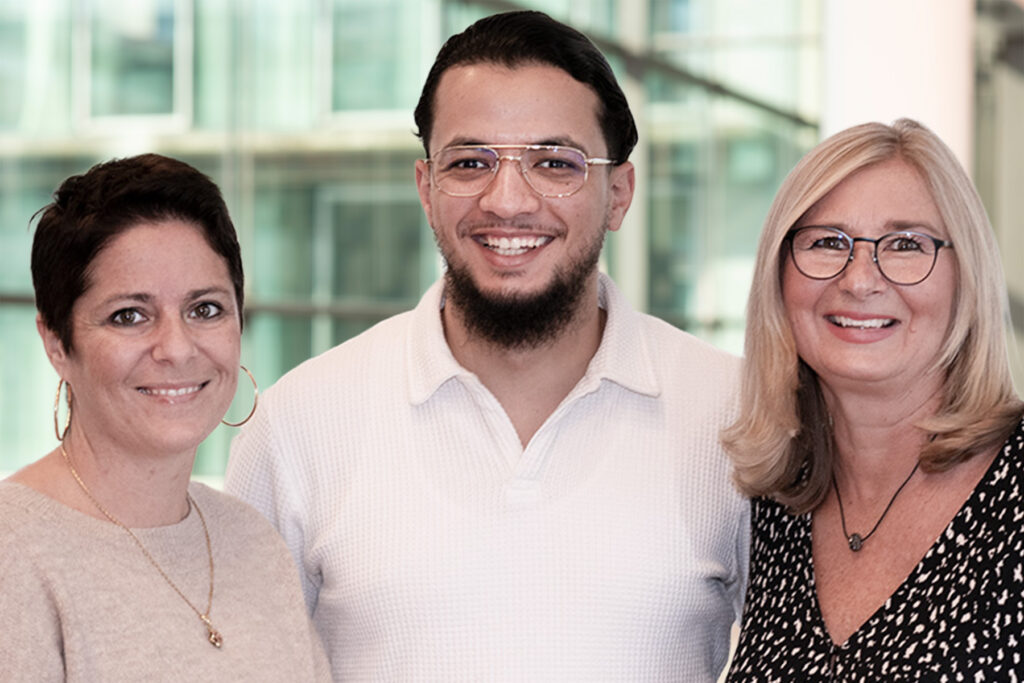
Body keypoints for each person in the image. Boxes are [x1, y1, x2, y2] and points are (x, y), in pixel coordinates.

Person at [226, 10, 747, 681]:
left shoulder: (737, 415)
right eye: (470, 162)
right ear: (426, 189)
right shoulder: (298, 423)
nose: (506, 201)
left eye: (554, 163)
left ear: (618, 193)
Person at [0, 154, 330, 681]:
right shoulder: (13, 552)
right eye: (129, 315)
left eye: (205, 309)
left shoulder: (252, 540)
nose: (176, 349)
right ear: (57, 343)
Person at [722, 118, 1024, 681]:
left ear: (966, 275)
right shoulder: (773, 504)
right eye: (827, 242)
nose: (860, 280)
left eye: (906, 244)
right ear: (778, 276)